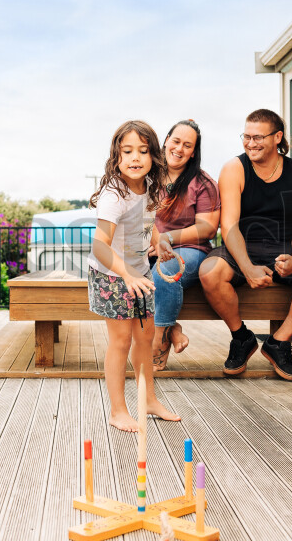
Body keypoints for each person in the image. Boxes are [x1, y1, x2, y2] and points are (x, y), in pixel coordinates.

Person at [199, 109, 292, 381]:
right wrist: (248, 268)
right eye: (246, 136)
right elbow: (228, 226)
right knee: (209, 272)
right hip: (242, 245)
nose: (250, 143)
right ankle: (241, 338)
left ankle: (279, 342)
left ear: (277, 137)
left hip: (286, 247)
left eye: (258, 137)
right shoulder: (234, 169)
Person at [87, 120, 181, 431]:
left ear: (154, 156)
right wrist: (125, 274)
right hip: (112, 276)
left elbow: (147, 222)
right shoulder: (115, 194)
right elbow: (100, 246)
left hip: (139, 273)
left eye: (142, 150)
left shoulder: (151, 188)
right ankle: (117, 410)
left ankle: (148, 400)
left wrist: (159, 241)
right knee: (121, 340)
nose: (135, 158)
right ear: (116, 157)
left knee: (145, 337)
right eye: (127, 151)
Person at [149, 120, 220, 371]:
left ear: (193, 152)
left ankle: (158, 343)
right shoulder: (148, 173)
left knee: (165, 270)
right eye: (176, 141)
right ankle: (172, 329)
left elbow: (207, 228)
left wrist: (167, 239)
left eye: (187, 145)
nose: (179, 148)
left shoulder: (203, 183)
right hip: (149, 248)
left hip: (190, 250)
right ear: (166, 140)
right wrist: (153, 239)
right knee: (127, 275)